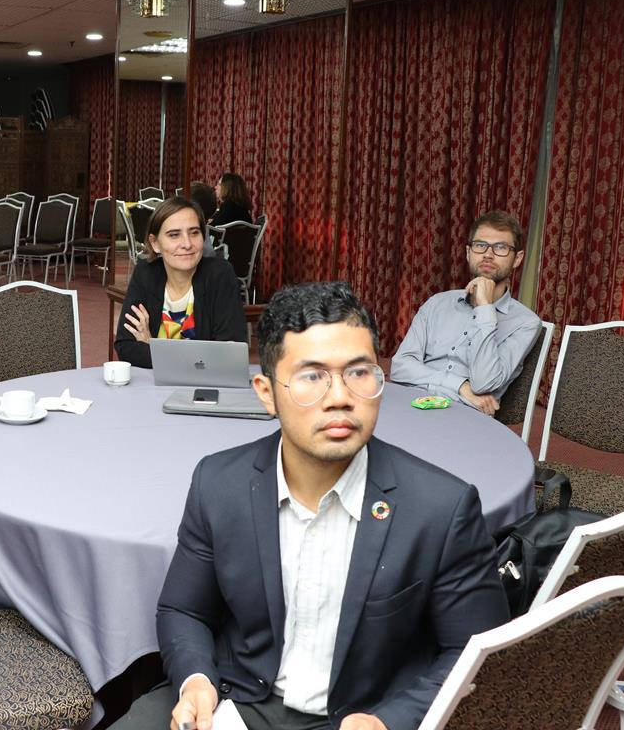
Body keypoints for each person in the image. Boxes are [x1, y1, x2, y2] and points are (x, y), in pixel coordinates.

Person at [112, 282, 508, 730]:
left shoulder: (441, 508)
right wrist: (196, 680)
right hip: (240, 698)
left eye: (359, 372)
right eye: (312, 376)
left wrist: (389, 721)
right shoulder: (219, 483)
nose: (339, 396)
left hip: (363, 713)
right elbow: (184, 611)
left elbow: (476, 654)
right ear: (266, 393)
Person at [389, 210, 542, 416]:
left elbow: (483, 384)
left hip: (461, 417)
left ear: (517, 258)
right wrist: (461, 387)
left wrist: (485, 309)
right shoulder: (437, 303)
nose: (488, 254)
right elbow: (399, 367)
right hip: (411, 403)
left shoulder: (526, 323)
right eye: (480, 245)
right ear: (469, 253)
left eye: (500, 247)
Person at [114, 197, 246, 369]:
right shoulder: (146, 274)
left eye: (194, 233)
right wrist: (195, 359)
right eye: (174, 235)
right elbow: (125, 346)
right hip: (153, 384)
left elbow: (229, 354)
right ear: (155, 243)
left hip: (204, 385)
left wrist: (153, 347)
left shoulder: (219, 275)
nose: (187, 244)